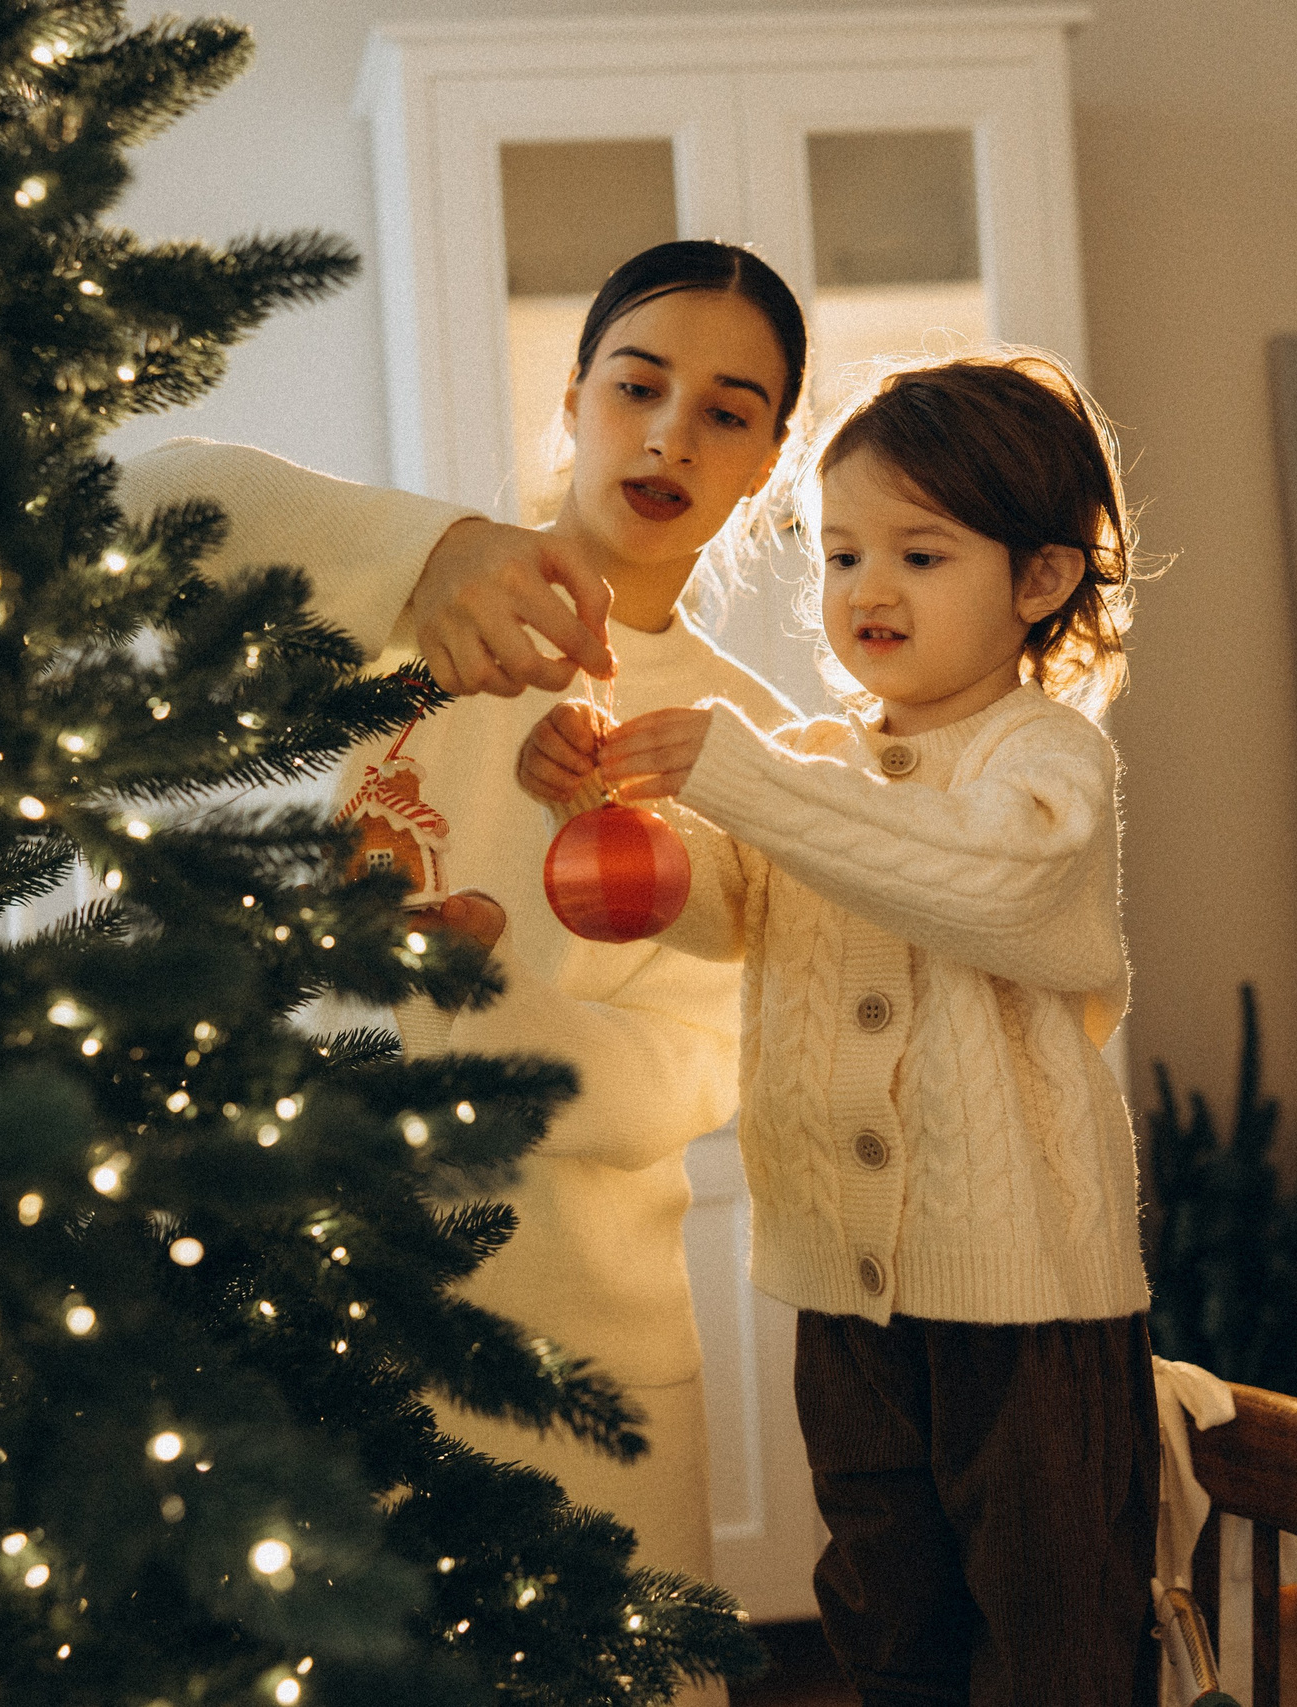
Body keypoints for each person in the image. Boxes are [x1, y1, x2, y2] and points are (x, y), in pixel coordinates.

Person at [120, 241, 814, 1704]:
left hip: (582, 1348)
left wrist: (474, 1005)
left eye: (728, 412)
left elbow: (699, 1067)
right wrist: (426, 553)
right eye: (638, 385)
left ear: (768, 463)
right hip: (313, 1301)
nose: (671, 435)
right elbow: (137, 498)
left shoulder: (749, 746)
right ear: (572, 399)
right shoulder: (404, 605)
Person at [519, 352, 1156, 1706]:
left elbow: (989, 887)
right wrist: (610, 817)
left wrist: (742, 773)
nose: (868, 588)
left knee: (1050, 1627)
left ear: (1040, 581)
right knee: (884, 1607)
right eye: (842, 553)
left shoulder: (1049, 760)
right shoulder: (815, 767)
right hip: (844, 1288)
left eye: (921, 555)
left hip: (1028, 1300)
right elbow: (727, 905)